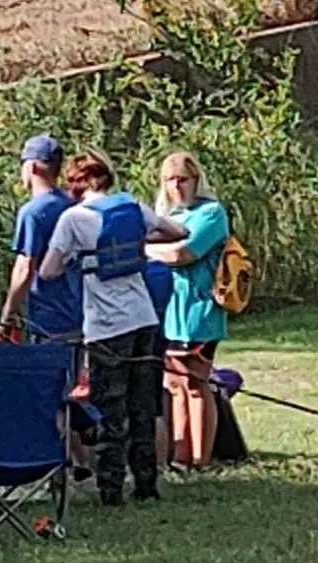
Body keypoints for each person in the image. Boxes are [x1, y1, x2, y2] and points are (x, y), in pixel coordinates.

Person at [39, 151, 184, 505]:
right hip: (144, 319)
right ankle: (147, 485)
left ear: (75, 184)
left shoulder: (74, 218)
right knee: (143, 406)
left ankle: (111, 488)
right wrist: (135, 246)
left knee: (108, 408)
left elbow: (47, 271)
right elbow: (179, 231)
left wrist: (84, 256)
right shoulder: (132, 207)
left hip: (106, 327)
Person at [147, 151, 230, 471]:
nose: (177, 186)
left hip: (199, 310)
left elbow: (184, 253)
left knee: (196, 383)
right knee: (173, 384)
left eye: (183, 179)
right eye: (171, 180)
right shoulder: (166, 215)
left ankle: (201, 457)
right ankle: (180, 455)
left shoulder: (211, 213)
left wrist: (143, 249)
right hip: (167, 310)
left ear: (197, 180)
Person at [1, 135, 82, 346]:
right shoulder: (71, 204)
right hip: (77, 312)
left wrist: (6, 317)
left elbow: (25, 268)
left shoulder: (33, 213)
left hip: (48, 319)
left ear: (33, 167)